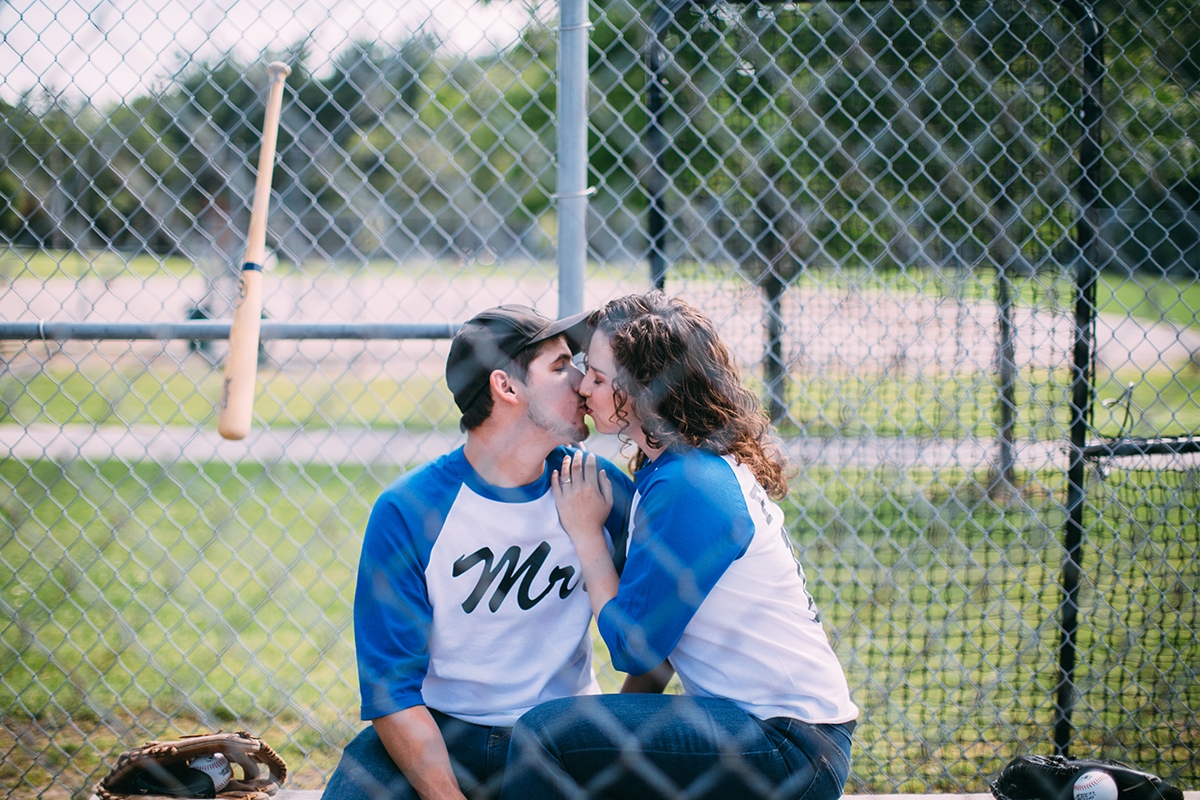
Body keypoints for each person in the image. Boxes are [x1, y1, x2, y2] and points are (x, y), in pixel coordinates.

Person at [500, 292, 859, 800]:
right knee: (577, 742)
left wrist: (586, 535)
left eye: (600, 379)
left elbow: (633, 647)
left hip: (788, 746)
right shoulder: (679, 466)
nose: (583, 386)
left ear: (645, 393)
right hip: (769, 733)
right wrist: (613, 727)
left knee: (544, 735)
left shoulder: (691, 485)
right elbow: (660, 650)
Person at [324, 304, 634, 800]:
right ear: (506, 388)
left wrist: (614, 736)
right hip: (442, 729)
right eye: (559, 367)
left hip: (559, 734)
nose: (581, 382)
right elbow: (391, 690)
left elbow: (657, 628)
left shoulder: (597, 490)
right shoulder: (411, 509)